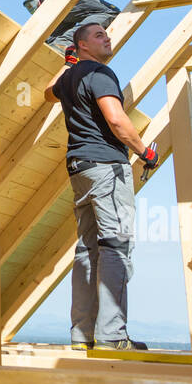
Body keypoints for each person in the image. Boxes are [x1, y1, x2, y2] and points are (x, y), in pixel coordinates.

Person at [44, 21, 159, 350]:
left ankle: (82, 336)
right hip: (107, 167)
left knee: (86, 250)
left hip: (80, 169)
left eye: (106, 34)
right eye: (98, 35)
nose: (107, 38)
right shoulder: (100, 73)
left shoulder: (70, 77)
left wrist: (67, 65)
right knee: (115, 248)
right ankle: (112, 337)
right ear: (82, 46)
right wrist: (145, 152)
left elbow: (46, 94)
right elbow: (116, 119)